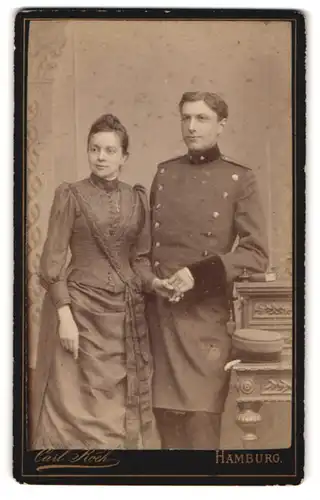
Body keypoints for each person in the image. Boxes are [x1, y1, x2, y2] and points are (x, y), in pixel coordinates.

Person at [31, 113, 172, 450]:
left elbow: (139, 261)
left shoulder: (137, 198)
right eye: (95, 149)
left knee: (122, 406)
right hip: (79, 312)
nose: (101, 157)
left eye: (110, 151)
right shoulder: (70, 195)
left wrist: (156, 285)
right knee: (76, 406)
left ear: (124, 157)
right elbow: (50, 263)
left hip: (126, 316)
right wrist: (65, 318)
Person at [148, 91, 269, 450]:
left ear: (221, 125)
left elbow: (256, 253)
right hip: (162, 321)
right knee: (167, 435)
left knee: (201, 437)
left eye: (201, 118)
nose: (191, 126)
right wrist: (155, 282)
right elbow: (147, 247)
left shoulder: (239, 179)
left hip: (206, 325)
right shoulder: (165, 173)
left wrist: (197, 275)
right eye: (185, 117)